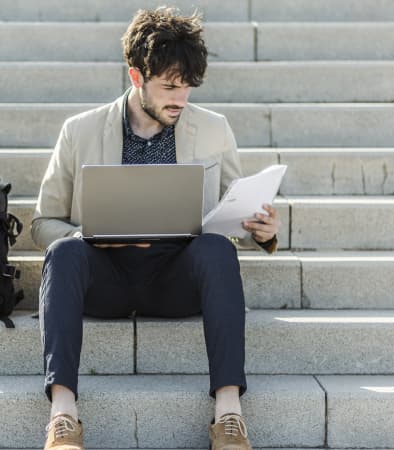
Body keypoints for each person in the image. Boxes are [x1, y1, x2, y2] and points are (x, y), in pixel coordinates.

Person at [31, 7, 280, 450]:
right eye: (168, 86)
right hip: (104, 276)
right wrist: (93, 233)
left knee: (218, 250)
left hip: (174, 278)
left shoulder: (214, 129)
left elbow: (234, 208)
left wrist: (261, 230)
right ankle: (63, 417)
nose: (180, 99)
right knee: (63, 252)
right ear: (135, 76)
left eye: (186, 87)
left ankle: (228, 415)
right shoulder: (80, 131)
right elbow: (41, 223)